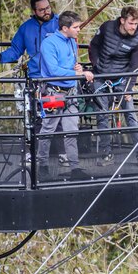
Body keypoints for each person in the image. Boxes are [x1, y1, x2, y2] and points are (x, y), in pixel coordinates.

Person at [0, 0, 69, 166]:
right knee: (35, 117)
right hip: (35, 80)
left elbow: (70, 44)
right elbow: (15, 50)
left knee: (55, 117)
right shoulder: (26, 28)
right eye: (42, 10)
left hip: (54, 80)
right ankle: (33, 153)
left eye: (48, 8)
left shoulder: (60, 24)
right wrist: (0, 56)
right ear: (34, 11)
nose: (46, 12)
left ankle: (62, 153)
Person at [37, 11, 94, 181]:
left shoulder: (71, 41)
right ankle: (43, 165)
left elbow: (70, 64)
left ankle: (74, 167)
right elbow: (54, 70)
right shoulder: (49, 44)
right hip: (54, 92)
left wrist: (78, 69)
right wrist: (78, 74)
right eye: (76, 27)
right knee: (48, 129)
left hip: (70, 92)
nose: (79, 30)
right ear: (64, 28)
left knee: (72, 130)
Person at [89, 6, 138, 167]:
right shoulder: (107, 28)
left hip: (122, 80)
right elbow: (94, 46)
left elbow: (134, 67)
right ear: (122, 21)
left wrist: (129, 88)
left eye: (136, 24)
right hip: (101, 77)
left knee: (131, 115)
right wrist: (97, 64)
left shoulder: (137, 40)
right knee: (102, 115)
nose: (133, 27)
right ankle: (107, 154)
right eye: (131, 23)